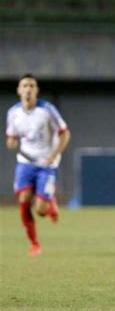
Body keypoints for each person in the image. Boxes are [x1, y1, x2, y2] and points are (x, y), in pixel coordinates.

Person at [5, 74, 71, 256]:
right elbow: (11, 137)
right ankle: (34, 244)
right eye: (24, 85)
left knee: (40, 210)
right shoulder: (13, 113)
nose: (28, 89)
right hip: (25, 162)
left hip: (46, 163)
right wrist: (11, 142)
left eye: (32, 86)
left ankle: (50, 205)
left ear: (36, 90)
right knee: (23, 200)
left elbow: (65, 133)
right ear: (19, 90)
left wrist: (54, 155)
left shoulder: (47, 110)